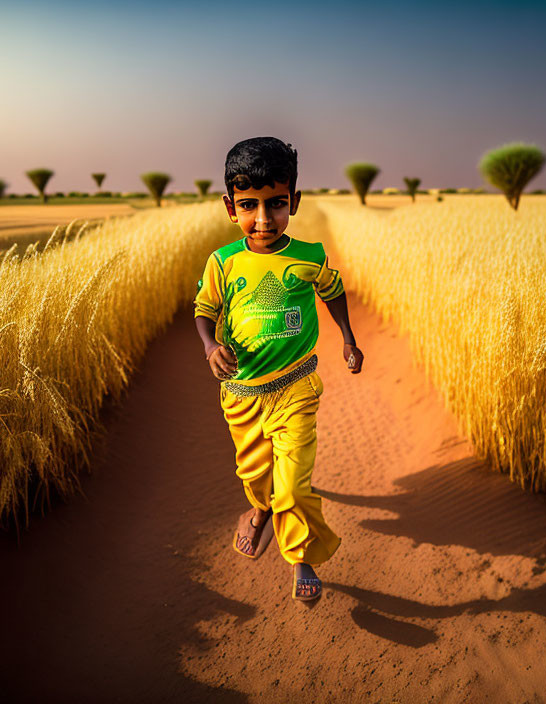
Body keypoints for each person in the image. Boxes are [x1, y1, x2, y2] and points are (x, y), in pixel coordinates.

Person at [193, 136, 364, 602]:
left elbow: (333, 291)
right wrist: (210, 346)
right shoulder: (223, 262)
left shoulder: (308, 256)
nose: (263, 219)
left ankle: (301, 556)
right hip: (241, 393)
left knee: (292, 482)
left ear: (294, 201)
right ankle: (261, 509)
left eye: (276, 204)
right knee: (256, 477)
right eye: (249, 205)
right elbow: (204, 309)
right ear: (231, 207)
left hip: (296, 388)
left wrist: (348, 338)